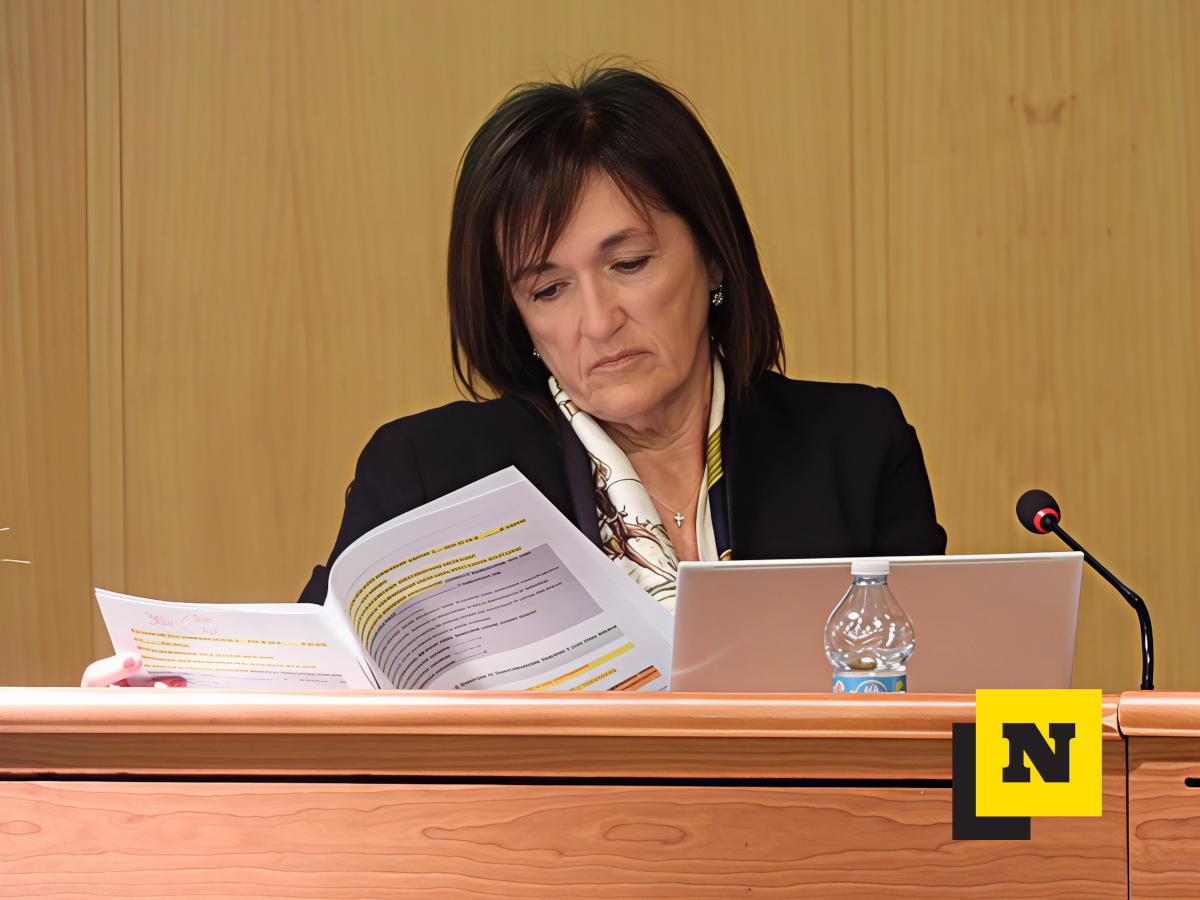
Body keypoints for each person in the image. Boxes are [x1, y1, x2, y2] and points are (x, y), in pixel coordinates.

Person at [298, 63, 945, 611]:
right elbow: (304, 688)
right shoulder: (425, 477)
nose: (599, 321)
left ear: (713, 257)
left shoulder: (857, 446)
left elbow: (951, 701)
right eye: (549, 290)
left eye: (628, 264)